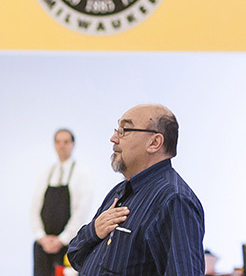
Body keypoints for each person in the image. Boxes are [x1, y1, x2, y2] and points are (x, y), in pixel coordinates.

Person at [67, 104, 204, 275]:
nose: (113, 138)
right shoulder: (120, 192)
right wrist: (94, 231)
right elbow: (75, 255)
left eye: (124, 130)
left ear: (154, 143)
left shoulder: (174, 200)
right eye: (117, 129)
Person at [32, 128, 94, 276]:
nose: (62, 145)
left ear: (73, 144)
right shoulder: (46, 172)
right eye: (58, 142)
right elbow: (34, 207)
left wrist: (62, 239)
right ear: (54, 145)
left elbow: (81, 211)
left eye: (66, 142)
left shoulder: (82, 173)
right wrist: (41, 237)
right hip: (43, 246)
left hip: (68, 247)